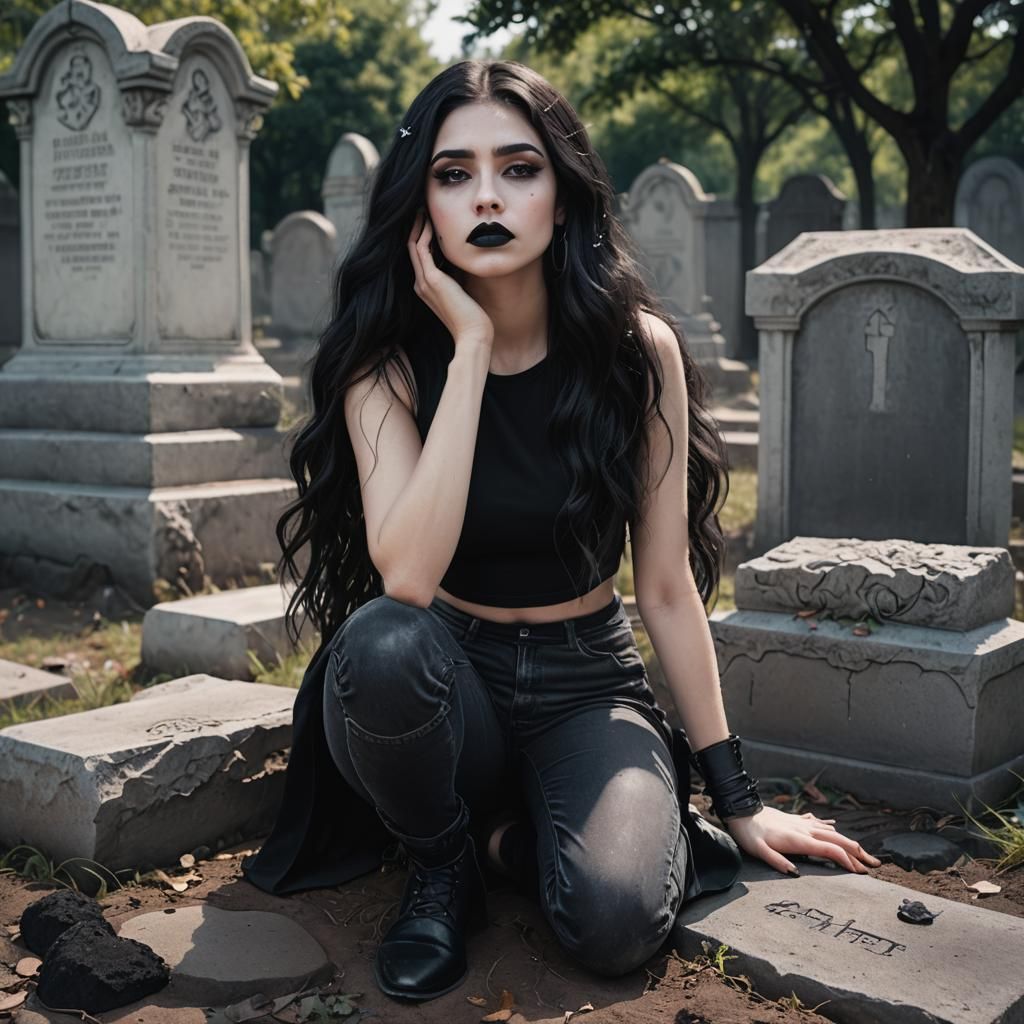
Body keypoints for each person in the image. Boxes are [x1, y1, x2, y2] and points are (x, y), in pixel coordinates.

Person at [241, 59, 880, 1003]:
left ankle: (513, 839)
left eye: (519, 168)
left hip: (588, 681)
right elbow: (407, 577)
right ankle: (444, 865)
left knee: (615, 921)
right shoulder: (388, 364)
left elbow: (665, 588)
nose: (486, 197)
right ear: (420, 207)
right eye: (453, 174)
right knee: (380, 640)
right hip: (438, 679)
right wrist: (467, 349)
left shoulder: (637, 353)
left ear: (564, 192)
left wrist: (739, 801)